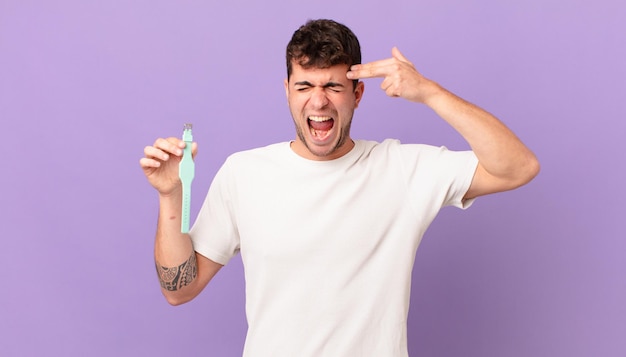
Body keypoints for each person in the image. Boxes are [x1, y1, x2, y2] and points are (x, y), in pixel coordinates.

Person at [140, 19, 539, 357]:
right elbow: (181, 288)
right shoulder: (244, 173)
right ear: (287, 91)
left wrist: (429, 92)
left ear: (357, 93)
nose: (318, 102)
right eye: (304, 87)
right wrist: (170, 195)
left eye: (332, 86)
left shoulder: (402, 168)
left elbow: (517, 167)